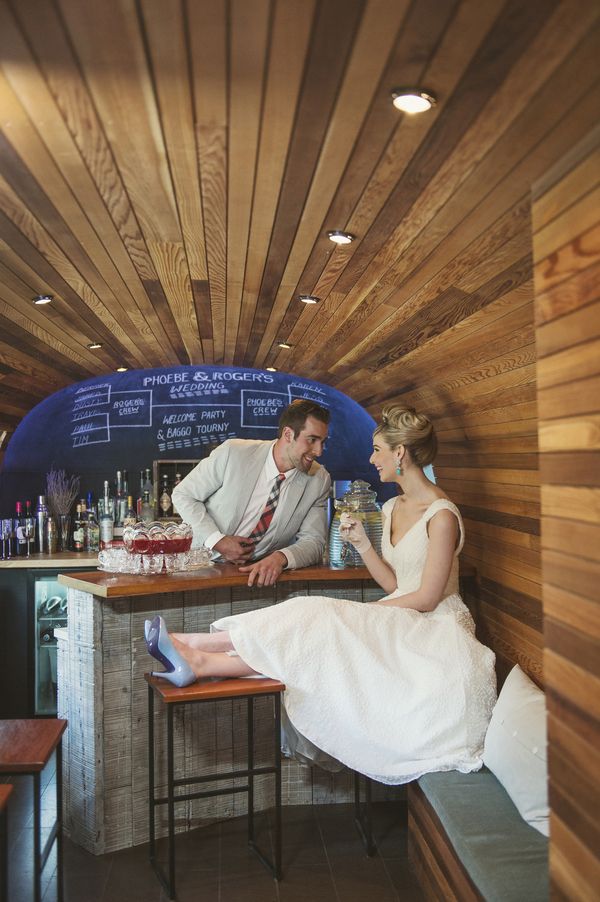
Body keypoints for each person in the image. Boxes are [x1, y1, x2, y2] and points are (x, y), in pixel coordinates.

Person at [146, 405, 497, 784]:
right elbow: (397, 586)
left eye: (377, 450)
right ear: (288, 435)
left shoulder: (441, 515)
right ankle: (196, 652)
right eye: (313, 440)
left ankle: (197, 651)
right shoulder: (393, 506)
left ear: (399, 453)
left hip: (435, 628)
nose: (371, 459)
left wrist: (361, 612)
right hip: (403, 616)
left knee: (316, 616)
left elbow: (427, 598)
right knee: (311, 621)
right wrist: (363, 545)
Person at [172, 399, 331, 586]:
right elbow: (183, 495)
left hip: (256, 577)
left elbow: (314, 541)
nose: (319, 451)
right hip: (199, 567)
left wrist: (280, 558)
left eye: (323, 442)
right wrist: (218, 541)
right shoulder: (233, 453)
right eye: (312, 440)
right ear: (288, 434)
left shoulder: (319, 479)